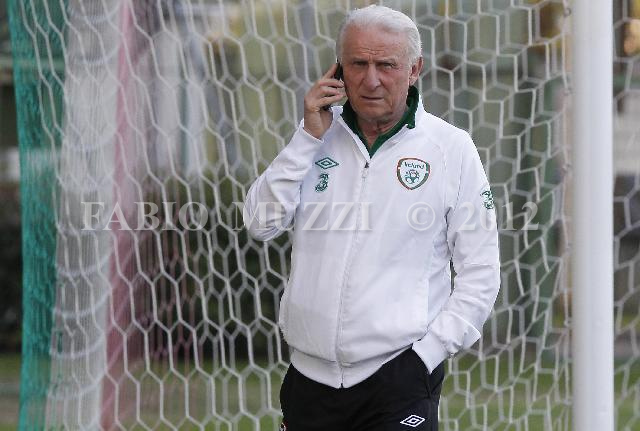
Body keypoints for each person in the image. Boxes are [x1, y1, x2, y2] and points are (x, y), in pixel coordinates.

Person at [243, 5, 500, 431]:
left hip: (399, 377)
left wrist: (426, 356)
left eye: (386, 65)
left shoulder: (451, 149)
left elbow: (482, 273)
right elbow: (260, 222)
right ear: (338, 69)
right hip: (308, 378)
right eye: (358, 64)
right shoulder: (315, 137)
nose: (371, 79)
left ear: (414, 69)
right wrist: (306, 138)